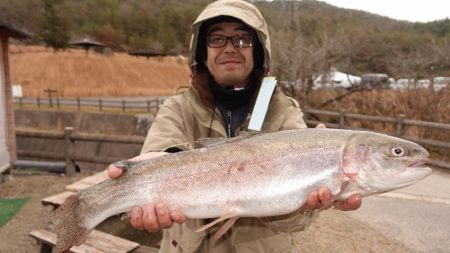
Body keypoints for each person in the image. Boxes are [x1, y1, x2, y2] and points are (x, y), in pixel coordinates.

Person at [108, 0, 361, 252]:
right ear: (202, 53)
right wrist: (161, 167)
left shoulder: (281, 110)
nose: (230, 48)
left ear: (259, 52)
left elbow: (297, 222)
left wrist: (302, 203)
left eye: (242, 39)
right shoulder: (178, 108)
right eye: (217, 39)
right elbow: (161, 149)